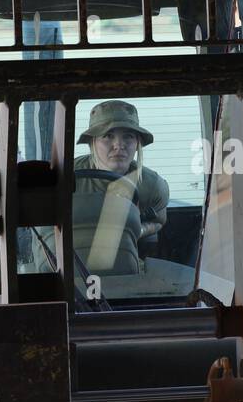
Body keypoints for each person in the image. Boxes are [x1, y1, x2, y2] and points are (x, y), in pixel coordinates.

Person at [52, 100, 169, 277]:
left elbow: (159, 221)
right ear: (92, 142)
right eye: (108, 136)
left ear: (137, 143)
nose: (119, 145)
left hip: (124, 275)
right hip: (68, 274)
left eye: (128, 136)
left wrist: (137, 230)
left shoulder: (151, 185)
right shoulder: (64, 179)